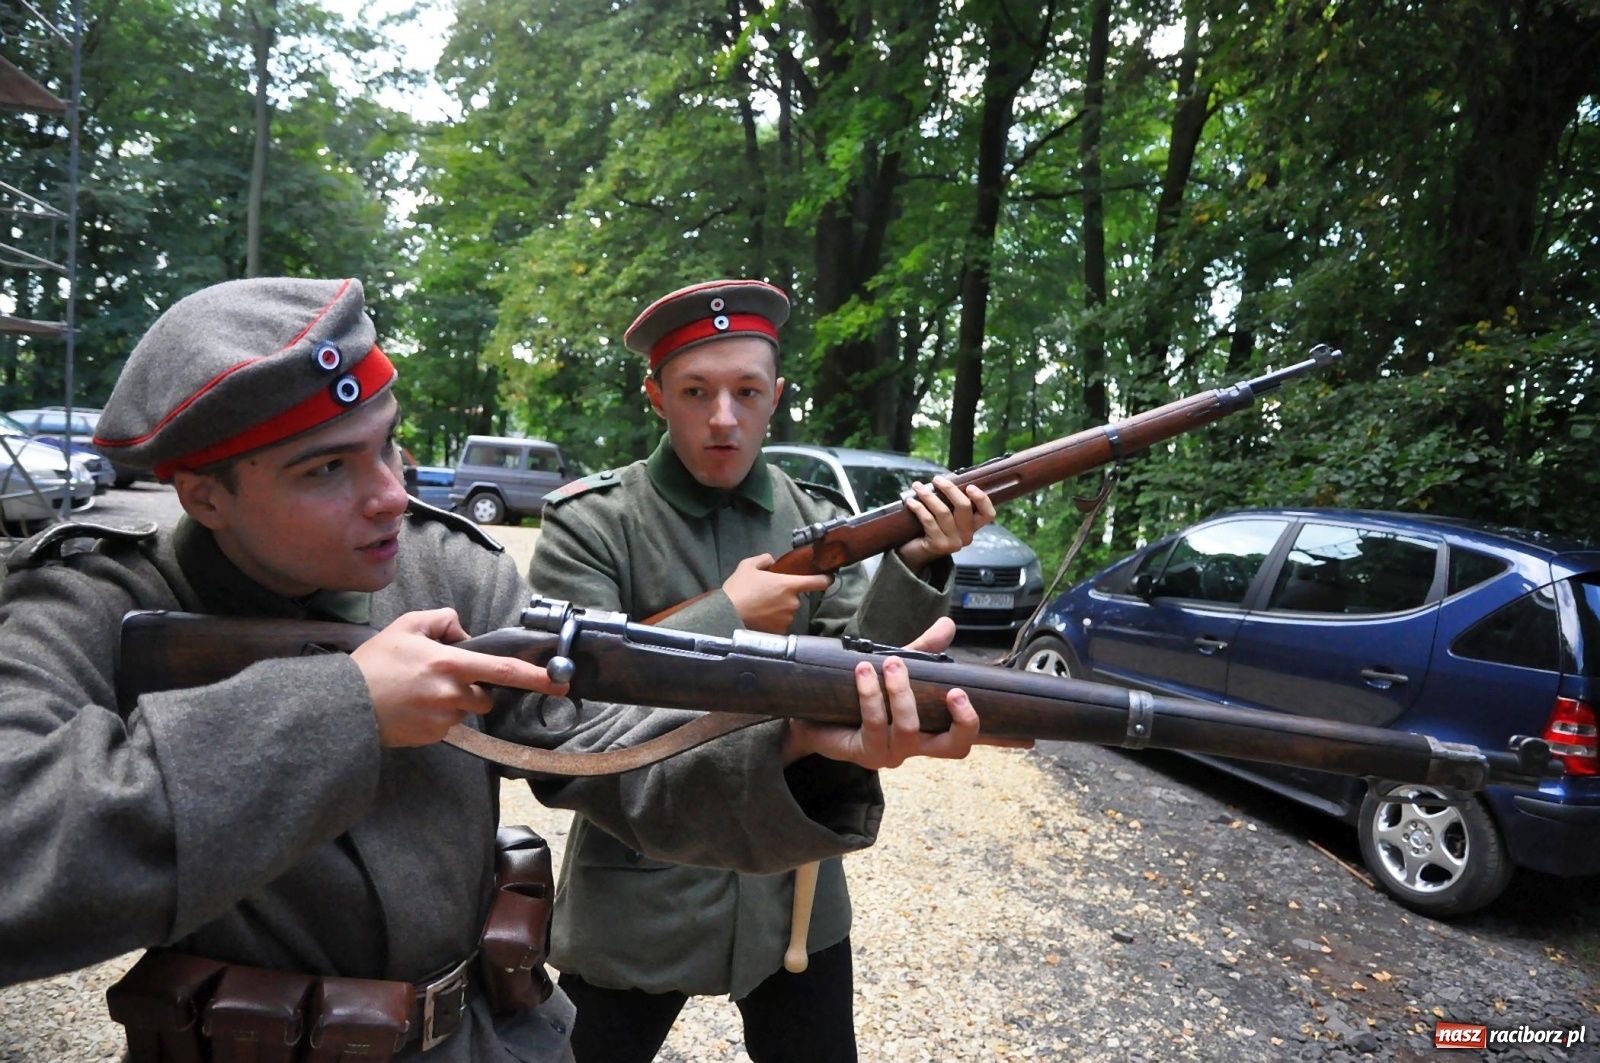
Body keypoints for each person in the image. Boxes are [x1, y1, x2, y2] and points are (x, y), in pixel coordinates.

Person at [0, 277, 986, 1063]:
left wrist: (799, 742)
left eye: (388, 448)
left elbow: (596, 743)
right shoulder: (93, 592)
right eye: (326, 470)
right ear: (203, 495)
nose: (391, 497)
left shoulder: (446, 566)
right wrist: (344, 708)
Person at [529, 279, 999, 1063]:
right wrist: (729, 611)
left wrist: (916, 560)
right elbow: (570, 706)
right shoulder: (592, 522)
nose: (724, 417)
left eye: (747, 391)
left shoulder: (818, 521)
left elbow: (858, 670)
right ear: (655, 395)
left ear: (775, 395)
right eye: (696, 390)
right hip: (643, 879)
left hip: (794, 888)